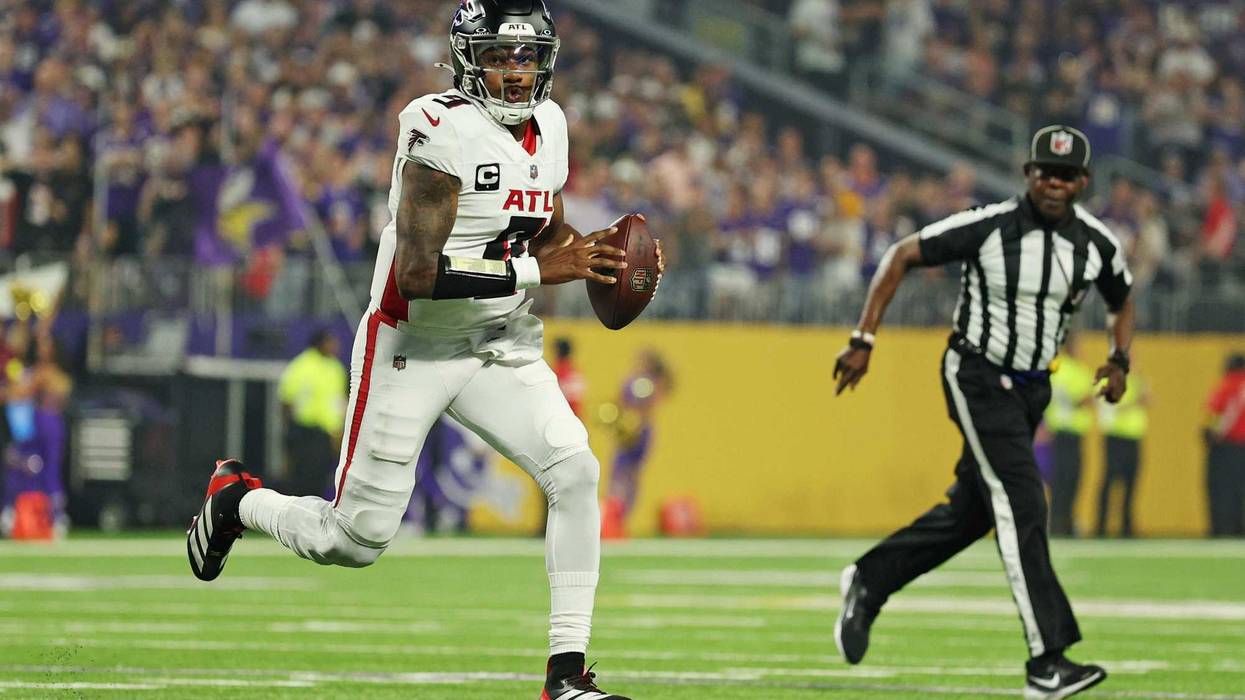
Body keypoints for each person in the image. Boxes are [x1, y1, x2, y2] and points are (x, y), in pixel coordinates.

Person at [186, 4, 662, 699]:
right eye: (501, 56)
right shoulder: (438, 128)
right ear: (469, 58)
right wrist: (539, 272)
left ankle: (566, 678)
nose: (517, 71)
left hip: (498, 341)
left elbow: (543, 230)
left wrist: (598, 256)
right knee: (353, 540)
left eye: (528, 58)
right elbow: (417, 273)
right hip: (415, 344)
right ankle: (238, 501)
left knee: (577, 472)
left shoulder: (551, 125)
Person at [832, 125, 1134, 700]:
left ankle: (871, 580)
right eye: (1045, 170)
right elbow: (901, 256)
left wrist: (1120, 359)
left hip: (1030, 390)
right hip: (975, 374)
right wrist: (862, 338)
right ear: (1028, 174)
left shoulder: (1095, 244)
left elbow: (1122, 299)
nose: (1054, 182)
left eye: (1066, 174)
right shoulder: (990, 227)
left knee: (971, 513)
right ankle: (1048, 659)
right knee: (1023, 498)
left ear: (1083, 182)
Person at [601, 350, 672, 539]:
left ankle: (618, 520)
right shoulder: (636, 381)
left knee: (627, 476)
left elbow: (645, 409)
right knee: (622, 476)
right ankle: (613, 520)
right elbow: (620, 403)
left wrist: (633, 424)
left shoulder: (644, 383)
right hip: (631, 430)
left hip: (637, 432)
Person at [276, 328, 347, 498]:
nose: (335, 346)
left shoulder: (336, 368)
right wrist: (290, 434)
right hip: (303, 432)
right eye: (330, 341)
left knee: (319, 479)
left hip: (325, 436)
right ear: (320, 343)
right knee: (300, 479)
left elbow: (340, 402)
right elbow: (286, 401)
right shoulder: (301, 366)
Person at [1046, 336, 1094, 536]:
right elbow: (1083, 399)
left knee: (1065, 480)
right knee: (1068, 480)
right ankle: (1062, 522)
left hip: (1064, 433)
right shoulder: (1073, 371)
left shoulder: (1059, 369)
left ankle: (1061, 521)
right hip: (1067, 432)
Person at [1095, 369, 1148, 537]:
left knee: (1131, 483)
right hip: (1115, 437)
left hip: (1134, 439)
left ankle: (1127, 526)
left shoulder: (1137, 381)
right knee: (1110, 481)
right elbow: (1109, 410)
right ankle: (1101, 526)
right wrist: (1135, 402)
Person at [1206, 353, 1245, 536]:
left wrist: (1212, 435)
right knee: (1240, 490)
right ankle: (1239, 528)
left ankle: (1221, 528)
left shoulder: (1227, 386)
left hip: (1227, 446)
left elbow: (1216, 415)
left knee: (1221, 489)